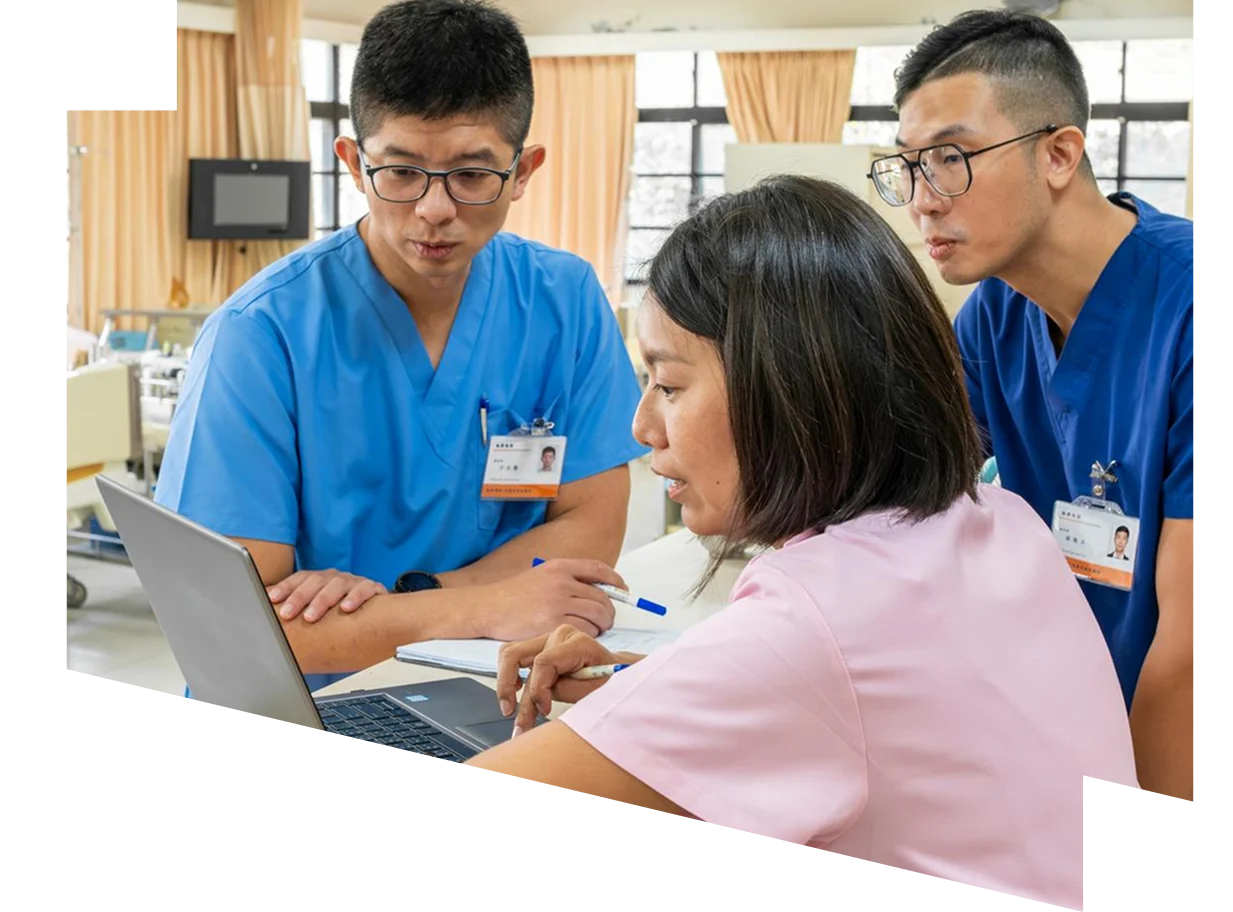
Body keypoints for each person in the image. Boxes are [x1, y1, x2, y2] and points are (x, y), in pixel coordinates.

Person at [465, 175, 1139, 910]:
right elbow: (875, 708)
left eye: (670, 385)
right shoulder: (999, 518)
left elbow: (815, 668)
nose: (642, 426)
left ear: (783, 387)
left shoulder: (814, 624)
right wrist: (643, 683)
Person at [154, 0, 648, 692]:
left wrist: (421, 597)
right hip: (308, 700)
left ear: (524, 170)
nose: (435, 211)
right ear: (354, 163)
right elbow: (236, 621)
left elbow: (591, 530)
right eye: (402, 171)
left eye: (472, 176)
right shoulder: (260, 336)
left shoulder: (563, 301)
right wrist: (481, 605)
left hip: (491, 684)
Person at [874, 9, 1195, 802]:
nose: (922, 200)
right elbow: (890, 494)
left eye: (951, 159)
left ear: (1059, 154)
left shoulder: (1185, 308)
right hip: (1066, 734)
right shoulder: (993, 316)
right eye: (908, 167)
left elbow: (1189, 653)